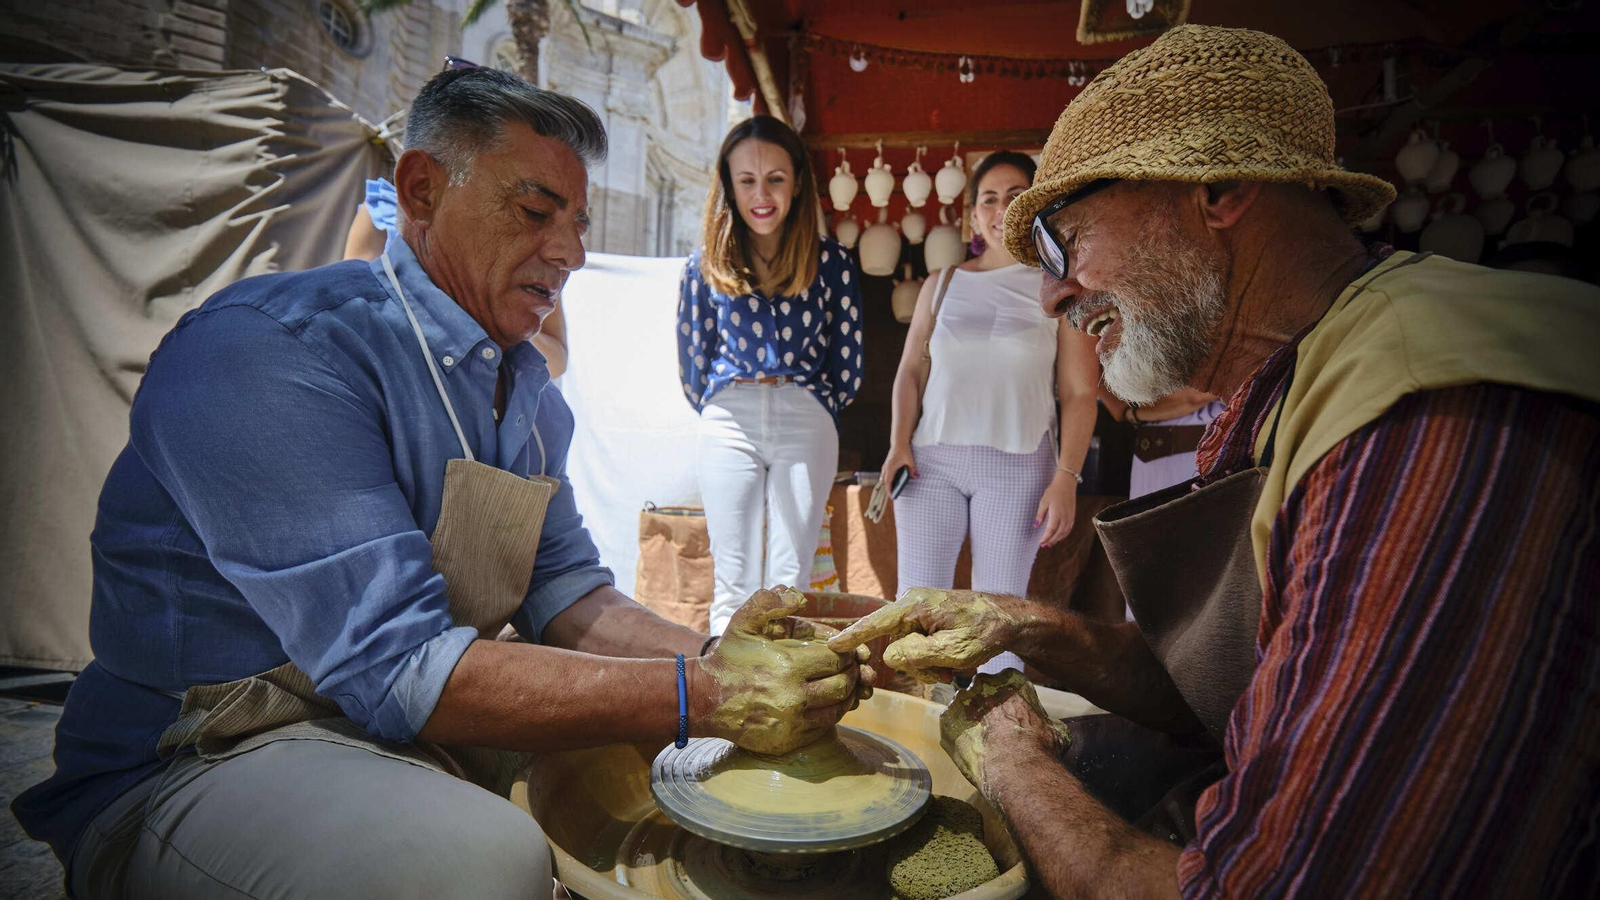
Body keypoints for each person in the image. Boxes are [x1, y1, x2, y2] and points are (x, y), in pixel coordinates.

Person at [14, 67, 867, 900]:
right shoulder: (275, 353)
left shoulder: (532, 401)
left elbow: (569, 597)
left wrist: (729, 660)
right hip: (201, 756)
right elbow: (405, 670)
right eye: (536, 211)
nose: (570, 251)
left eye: (577, 220)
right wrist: (707, 694)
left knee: (646, 759)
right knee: (481, 861)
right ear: (420, 190)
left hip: (383, 735)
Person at [830, 25, 1599, 900]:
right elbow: (1248, 682)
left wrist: (1011, 765)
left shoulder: (1429, 405)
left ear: (1220, 190)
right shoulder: (1317, 367)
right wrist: (1018, 624)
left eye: (1065, 242)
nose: (1051, 292)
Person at [881, 150, 1099, 675]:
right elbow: (911, 370)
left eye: (1015, 197)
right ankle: (915, 743)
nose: (1001, 209)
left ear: (1035, 206)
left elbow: (1079, 391)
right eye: (989, 199)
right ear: (972, 214)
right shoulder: (943, 283)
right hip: (930, 464)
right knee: (916, 615)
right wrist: (898, 444)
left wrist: (1067, 477)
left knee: (998, 628)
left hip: (1019, 470)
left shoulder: (1060, 286)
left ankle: (998, 745)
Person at [678, 115, 863, 636]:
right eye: (747, 180)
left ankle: (788, 704)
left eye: (776, 178)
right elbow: (692, 363)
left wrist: (812, 405)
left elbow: (848, 363)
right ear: (729, 185)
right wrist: (726, 405)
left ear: (798, 182)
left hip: (805, 413)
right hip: (729, 417)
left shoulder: (832, 263)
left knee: (788, 583)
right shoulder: (702, 266)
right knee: (732, 583)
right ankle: (725, 707)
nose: (762, 194)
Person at [346, 164, 569, 377]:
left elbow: (556, 362)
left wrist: (511, 322)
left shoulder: (533, 246)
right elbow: (353, 315)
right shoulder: (385, 208)